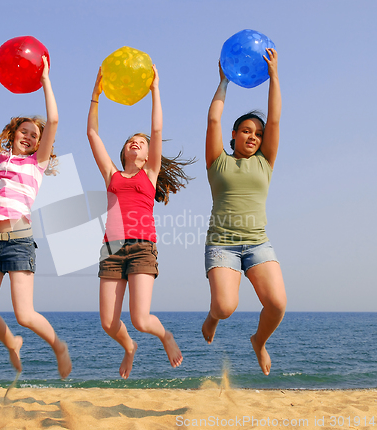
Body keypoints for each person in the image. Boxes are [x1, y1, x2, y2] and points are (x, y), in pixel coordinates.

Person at [87, 65, 193, 379]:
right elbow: (92, 134)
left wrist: (155, 90)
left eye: (141, 142)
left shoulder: (149, 175)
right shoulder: (113, 175)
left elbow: (156, 130)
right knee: (108, 323)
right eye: (131, 140)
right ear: (123, 152)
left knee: (141, 319)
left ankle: (166, 336)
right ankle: (129, 347)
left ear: (148, 155)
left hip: (142, 247)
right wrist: (96, 96)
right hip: (111, 248)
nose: (137, 142)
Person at [0, 57, 72, 379]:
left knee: (25, 314)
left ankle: (58, 346)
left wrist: (45, 80)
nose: (29, 137)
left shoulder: (36, 164)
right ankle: (11, 343)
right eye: (24, 131)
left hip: (17, 242)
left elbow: (54, 120)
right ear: (13, 133)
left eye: (35, 135)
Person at [201, 48, 285, 376]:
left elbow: (275, 118)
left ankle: (259, 342)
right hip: (222, 244)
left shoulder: (265, 162)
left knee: (277, 304)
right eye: (246, 131)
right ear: (234, 135)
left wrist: (274, 76)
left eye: (258, 134)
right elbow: (212, 120)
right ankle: (212, 317)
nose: (253, 136)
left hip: (258, 244)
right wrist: (223, 81)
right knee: (225, 307)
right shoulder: (217, 161)